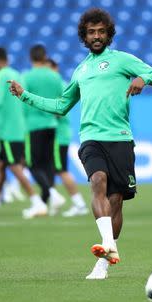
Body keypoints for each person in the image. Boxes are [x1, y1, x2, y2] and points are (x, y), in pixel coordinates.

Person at [8, 8, 152, 279]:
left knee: (116, 200)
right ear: (84, 36)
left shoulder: (122, 60)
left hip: (120, 138)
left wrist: (144, 78)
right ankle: (108, 247)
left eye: (101, 32)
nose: (96, 36)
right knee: (97, 182)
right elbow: (61, 106)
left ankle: (105, 260)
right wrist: (26, 96)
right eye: (91, 32)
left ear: (109, 34)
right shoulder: (81, 70)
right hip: (91, 138)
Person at [0, 48, 47, 218]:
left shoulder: (1, 76)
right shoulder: (18, 75)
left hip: (7, 131)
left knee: (14, 167)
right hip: (19, 129)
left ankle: (37, 202)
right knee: (1, 167)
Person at [21, 45, 66, 217]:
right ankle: (44, 203)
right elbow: (62, 101)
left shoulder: (27, 77)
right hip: (51, 125)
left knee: (32, 164)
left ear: (31, 58)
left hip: (33, 125)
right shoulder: (55, 77)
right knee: (48, 165)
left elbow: (23, 102)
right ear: (45, 56)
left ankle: (53, 194)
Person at [47, 58, 88, 217]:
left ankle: (79, 204)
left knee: (61, 170)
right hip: (60, 134)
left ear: (55, 68)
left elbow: (58, 110)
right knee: (54, 170)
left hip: (58, 135)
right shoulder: (61, 84)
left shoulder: (59, 85)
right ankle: (55, 201)